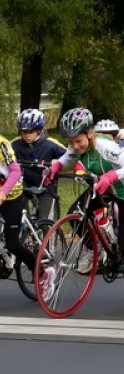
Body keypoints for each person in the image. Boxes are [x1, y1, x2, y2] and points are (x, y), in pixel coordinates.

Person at [45, 108, 124, 310]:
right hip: (104, 187)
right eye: (71, 142)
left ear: (90, 134)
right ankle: (98, 248)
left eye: (79, 141)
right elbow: (67, 158)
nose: (75, 147)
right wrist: (56, 167)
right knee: (76, 215)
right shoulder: (76, 146)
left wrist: (111, 176)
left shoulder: (105, 147)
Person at [0, 124, 53, 298]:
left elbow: (15, 171)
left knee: (13, 243)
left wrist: (3, 192)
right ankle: (5, 260)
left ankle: (42, 273)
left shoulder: (2, 144)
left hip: (11, 196)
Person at [11, 108, 66, 222]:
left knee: (44, 221)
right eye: (24, 131)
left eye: (30, 131)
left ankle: (46, 237)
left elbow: (69, 156)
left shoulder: (50, 143)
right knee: (18, 214)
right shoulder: (15, 144)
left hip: (46, 185)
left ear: (39, 130)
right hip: (23, 183)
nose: (27, 135)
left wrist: (59, 162)